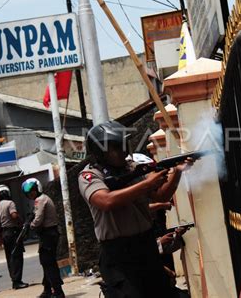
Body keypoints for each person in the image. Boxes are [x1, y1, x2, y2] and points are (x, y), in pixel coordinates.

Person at [78, 120, 195, 298]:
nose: (123, 151)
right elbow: (106, 201)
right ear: (100, 152)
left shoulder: (132, 168)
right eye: (116, 147)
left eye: (123, 145)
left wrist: (177, 172)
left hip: (146, 246)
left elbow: (161, 196)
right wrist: (147, 184)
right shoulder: (91, 175)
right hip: (118, 254)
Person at [21, 178, 65, 298]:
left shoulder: (40, 200)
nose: (31, 194)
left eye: (32, 191)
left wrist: (30, 226)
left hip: (48, 235)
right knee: (47, 263)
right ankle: (47, 290)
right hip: (49, 234)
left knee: (48, 263)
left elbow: (38, 220)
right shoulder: (42, 198)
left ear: (37, 189)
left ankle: (58, 292)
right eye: (29, 193)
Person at [0, 184, 29, 290]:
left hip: (5, 234)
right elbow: (14, 215)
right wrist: (21, 220)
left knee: (10, 257)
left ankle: (14, 280)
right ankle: (17, 281)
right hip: (13, 232)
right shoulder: (10, 203)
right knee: (17, 257)